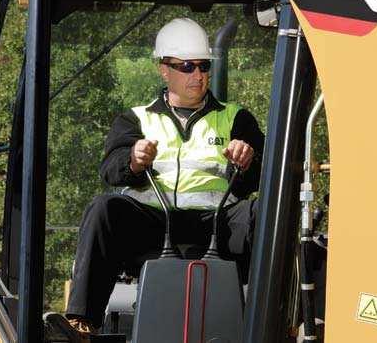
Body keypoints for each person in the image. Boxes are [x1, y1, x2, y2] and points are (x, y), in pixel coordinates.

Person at [44, 18, 264, 342]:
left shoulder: (236, 118)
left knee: (269, 214)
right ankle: (81, 325)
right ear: (164, 69)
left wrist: (248, 161)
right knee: (104, 209)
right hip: (154, 225)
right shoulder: (136, 119)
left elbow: (261, 176)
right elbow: (110, 169)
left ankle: (279, 322)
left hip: (218, 224)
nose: (198, 75)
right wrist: (132, 161)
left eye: (203, 66)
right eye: (187, 66)